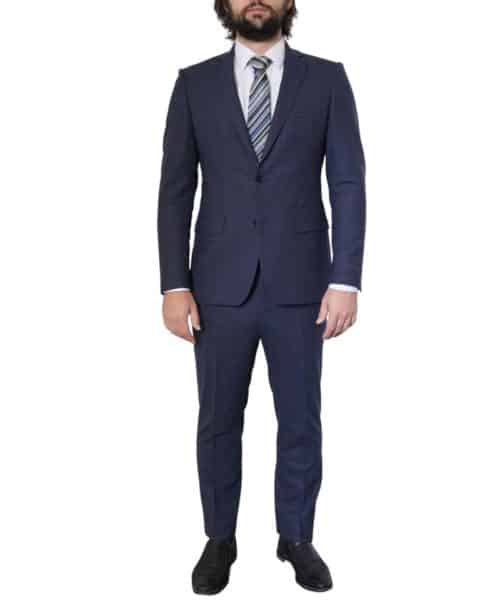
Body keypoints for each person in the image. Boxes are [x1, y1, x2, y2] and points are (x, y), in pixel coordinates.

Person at [157, 0, 366, 593]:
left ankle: (296, 536)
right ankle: (219, 538)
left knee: (300, 420)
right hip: (217, 289)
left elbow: (348, 182)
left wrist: (345, 279)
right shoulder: (194, 84)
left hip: (303, 288)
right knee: (218, 421)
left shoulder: (326, 80)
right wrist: (174, 284)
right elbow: (176, 189)